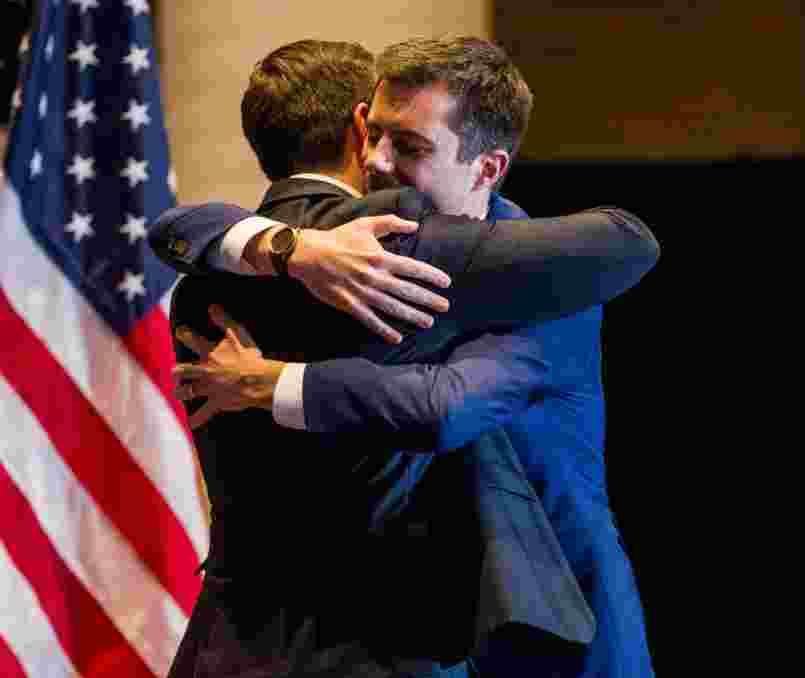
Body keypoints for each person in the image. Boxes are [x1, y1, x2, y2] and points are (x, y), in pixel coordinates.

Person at [151, 39, 658, 677]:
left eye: (410, 148)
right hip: (419, 628)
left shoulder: (546, 283)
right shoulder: (355, 245)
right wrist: (296, 249)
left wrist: (273, 381)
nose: (377, 161)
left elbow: (440, 406)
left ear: (487, 168)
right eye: (376, 135)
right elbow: (179, 224)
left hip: (552, 617)